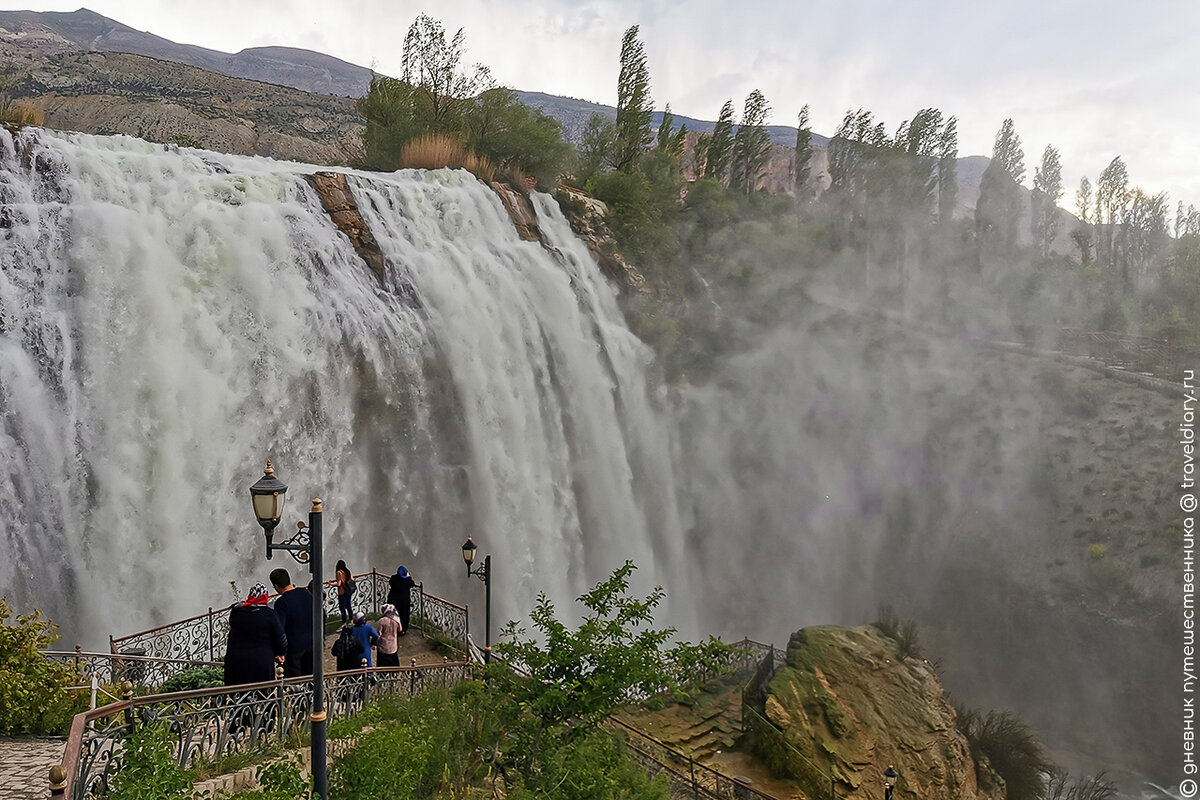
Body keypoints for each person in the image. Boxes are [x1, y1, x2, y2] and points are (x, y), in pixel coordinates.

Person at [223, 582, 287, 685]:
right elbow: (280, 638)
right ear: (265, 597)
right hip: (261, 662)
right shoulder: (270, 615)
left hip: (236, 662)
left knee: (237, 693)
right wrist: (281, 652)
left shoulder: (237, 613)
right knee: (261, 693)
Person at [270, 567, 313, 677]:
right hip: (313, 645)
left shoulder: (282, 602)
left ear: (276, 586)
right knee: (311, 680)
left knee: (295, 684)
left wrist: (279, 652)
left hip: (294, 650)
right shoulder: (306, 594)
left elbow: (279, 629)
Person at [388, 565, 416, 634]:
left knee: (393, 614)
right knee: (403, 615)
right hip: (403, 602)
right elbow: (412, 583)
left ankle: (392, 628)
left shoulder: (393, 578)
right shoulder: (407, 581)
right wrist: (408, 576)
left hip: (393, 600)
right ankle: (402, 630)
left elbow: (390, 581)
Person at [335, 559, 354, 623]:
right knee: (348, 606)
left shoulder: (339, 573)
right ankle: (351, 621)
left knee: (342, 608)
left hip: (342, 592)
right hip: (348, 591)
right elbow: (352, 579)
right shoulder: (347, 571)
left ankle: (344, 623)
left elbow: (339, 584)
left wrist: (330, 584)